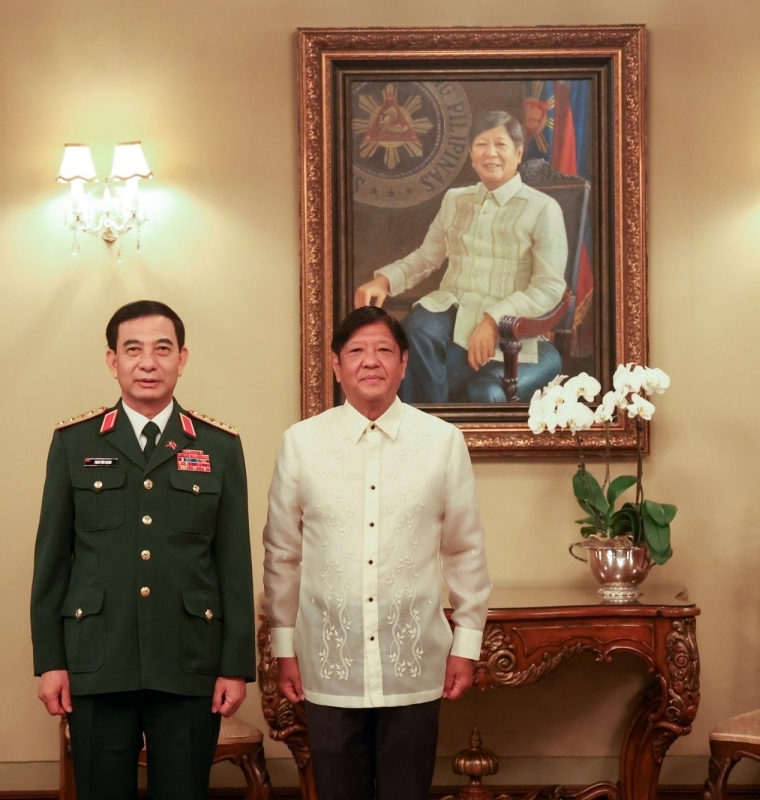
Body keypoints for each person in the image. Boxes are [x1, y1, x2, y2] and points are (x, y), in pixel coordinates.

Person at [262, 305, 491, 800]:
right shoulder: (301, 444)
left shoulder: (442, 443)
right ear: (337, 364)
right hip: (329, 662)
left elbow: (465, 549)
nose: (371, 361)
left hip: (413, 661)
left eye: (384, 350)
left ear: (405, 364)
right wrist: (284, 648)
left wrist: (466, 645)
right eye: (357, 351)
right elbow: (282, 554)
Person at [30, 300, 255, 800]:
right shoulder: (75, 442)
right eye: (133, 350)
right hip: (98, 659)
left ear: (183, 358)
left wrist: (234, 665)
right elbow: (52, 561)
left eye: (162, 349)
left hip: (189, 660)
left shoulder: (219, 447)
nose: (148, 362)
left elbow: (233, 566)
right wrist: (50, 660)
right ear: (112, 361)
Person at [354, 110, 569, 403]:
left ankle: (430, 432)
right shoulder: (456, 199)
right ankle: (427, 432)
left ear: (518, 153)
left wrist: (494, 320)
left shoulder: (543, 209)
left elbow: (549, 288)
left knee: (425, 365)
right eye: (481, 145)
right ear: (471, 155)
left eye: (500, 145)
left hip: (510, 322)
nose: (490, 153)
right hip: (451, 307)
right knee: (415, 331)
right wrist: (384, 281)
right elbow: (427, 257)